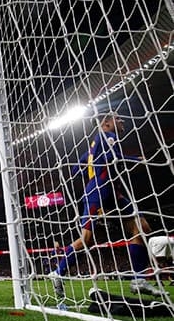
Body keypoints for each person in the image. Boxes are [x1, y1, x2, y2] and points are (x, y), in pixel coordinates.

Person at [49, 115, 165, 311]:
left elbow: (80, 163)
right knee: (86, 240)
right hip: (99, 193)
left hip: (113, 193)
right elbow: (113, 158)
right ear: (106, 122)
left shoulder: (95, 143)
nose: (122, 121)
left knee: (142, 227)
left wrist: (82, 169)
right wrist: (138, 159)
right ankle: (58, 273)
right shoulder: (107, 136)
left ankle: (138, 279)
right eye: (118, 118)